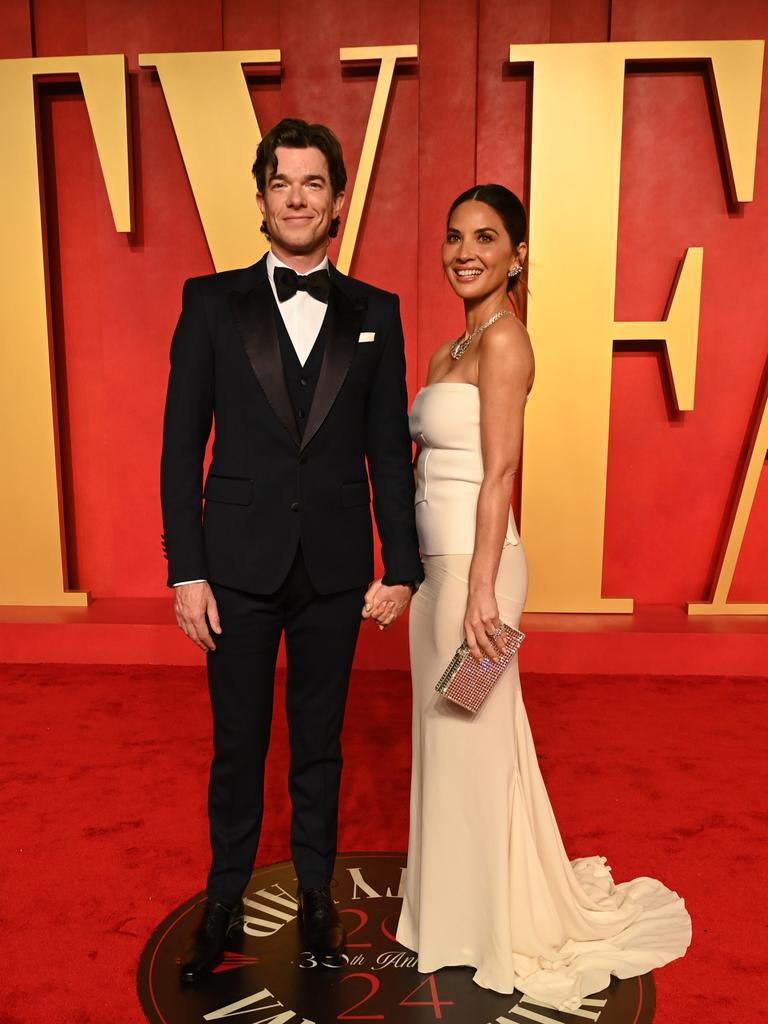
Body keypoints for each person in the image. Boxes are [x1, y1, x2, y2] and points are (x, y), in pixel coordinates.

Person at [390, 184, 692, 1011]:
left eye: (485, 238)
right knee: (444, 744)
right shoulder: (448, 349)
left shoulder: (507, 343)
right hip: (439, 573)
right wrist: (411, 578)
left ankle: (491, 925)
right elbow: (424, 471)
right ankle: (448, 914)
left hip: (482, 575)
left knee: (474, 742)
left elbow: (499, 473)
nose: (465, 252)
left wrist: (481, 589)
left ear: (517, 254)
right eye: (454, 237)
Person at [160, 117, 422, 983]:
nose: (299, 198)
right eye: (283, 183)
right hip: (233, 567)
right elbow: (178, 446)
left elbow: (389, 448)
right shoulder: (208, 301)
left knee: (319, 742)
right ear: (263, 197)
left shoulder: (376, 311)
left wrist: (402, 565)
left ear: (337, 200)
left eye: (314, 183)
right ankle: (224, 901)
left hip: (336, 569)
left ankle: (316, 898)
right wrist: (187, 571)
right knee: (237, 744)